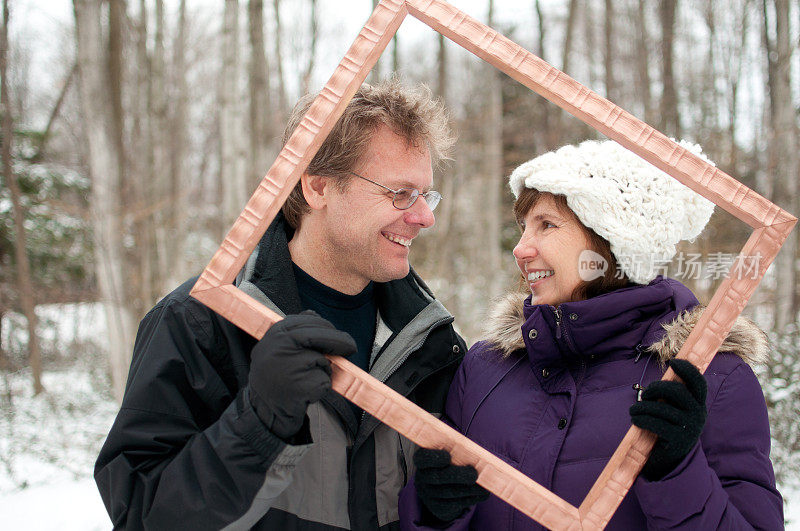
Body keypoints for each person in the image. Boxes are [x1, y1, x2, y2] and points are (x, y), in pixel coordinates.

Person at [95, 80, 468, 530]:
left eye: (426, 195)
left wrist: (432, 509)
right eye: (400, 194)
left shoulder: (433, 346)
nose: (425, 217)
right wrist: (258, 423)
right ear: (317, 188)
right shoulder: (201, 321)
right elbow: (139, 516)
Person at [398, 140, 784, 529]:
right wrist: (432, 512)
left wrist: (678, 473)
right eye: (522, 227)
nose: (520, 248)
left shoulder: (707, 377)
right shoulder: (484, 368)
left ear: (612, 243)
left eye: (546, 224)